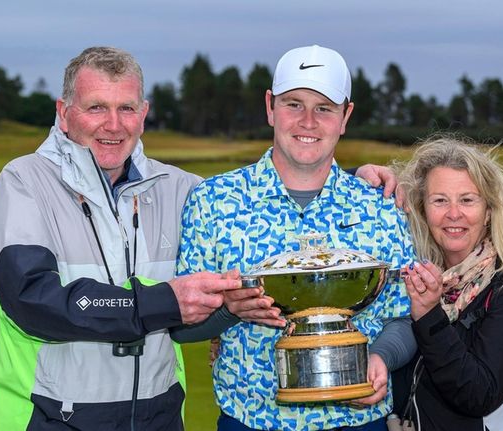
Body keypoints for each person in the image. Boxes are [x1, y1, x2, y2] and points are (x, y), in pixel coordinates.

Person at [0, 46, 244, 431]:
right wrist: (160, 302)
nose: (114, 125)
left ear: (144, 113)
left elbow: (257, 207)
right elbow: (33, 299)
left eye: (126, 108)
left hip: (160, 415)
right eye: (96, 107)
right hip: (52, 417)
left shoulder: (179, 188)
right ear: (63, 112)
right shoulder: (23, 182)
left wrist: (350, 181)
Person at [172, 45, 416, 431]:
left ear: (345, 116)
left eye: (324, 108)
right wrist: (229, 310)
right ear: (270, 107)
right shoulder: (214, 201)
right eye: (293, 104)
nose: (307, 121)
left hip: (357, 421)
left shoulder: (381, 206)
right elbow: (181, 326)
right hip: (249, 421)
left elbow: (403, 315)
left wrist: (382, 359)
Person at [390, 136, 503, 430]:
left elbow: (478, 394)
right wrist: (361, 172)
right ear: (423, 209)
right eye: (439, 200)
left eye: (467, 200)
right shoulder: (425, 279)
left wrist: (428, 315)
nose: (453, 214)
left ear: (488, 211)